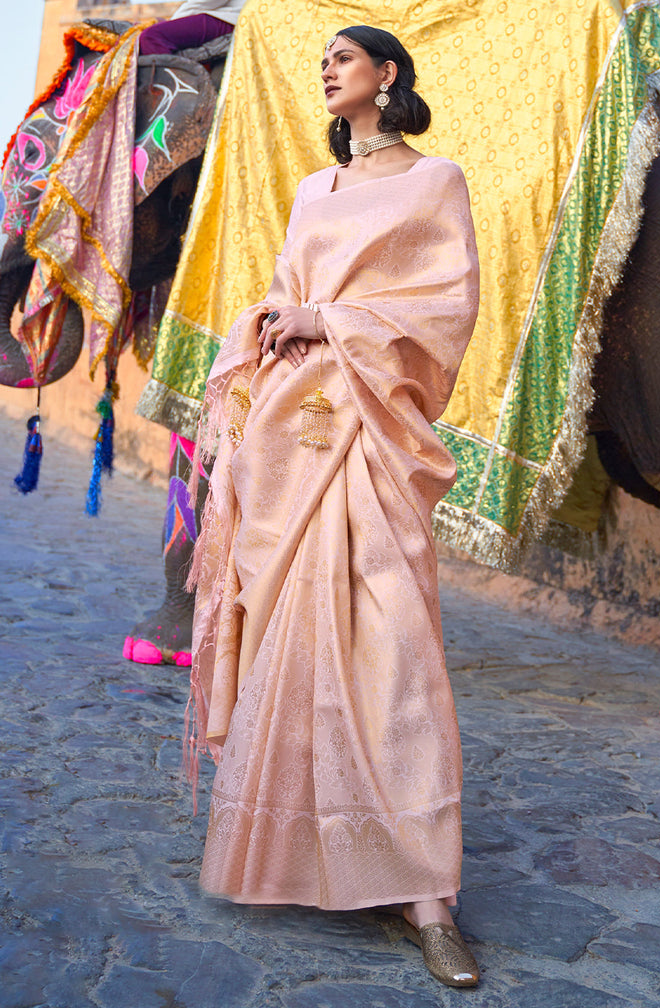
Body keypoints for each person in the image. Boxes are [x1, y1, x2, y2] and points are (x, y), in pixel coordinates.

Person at [188, 26, 481, 988]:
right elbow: (284, 291)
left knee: (392, 644)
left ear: (387, 75)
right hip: (289, 427)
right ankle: (316, 851)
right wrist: (272, 323)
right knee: (292, 640)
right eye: (322, 61)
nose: (328, 69)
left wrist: (336, 320)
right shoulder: (315, 192)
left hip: (370, 434)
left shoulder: (436, 181)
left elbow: (445, 309)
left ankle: (427, 891)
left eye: (345, 58)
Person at [138, 0, 243, 56]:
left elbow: (205, 2)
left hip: (228, 18)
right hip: (227, 14)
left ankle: (175, 92)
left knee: (152, 37)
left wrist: (173, 21)